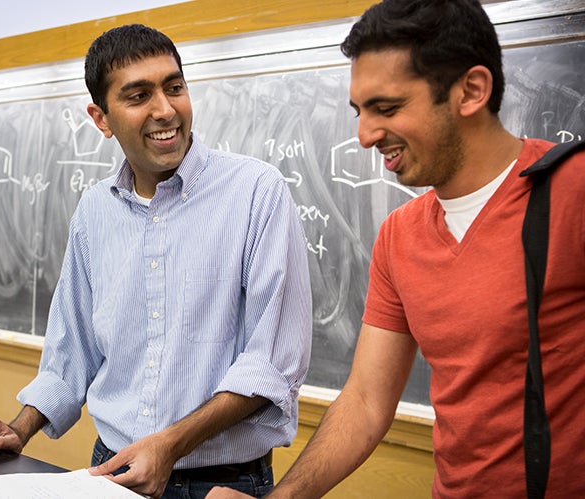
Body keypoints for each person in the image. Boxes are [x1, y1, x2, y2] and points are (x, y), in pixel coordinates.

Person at [208, 0, 585, 498]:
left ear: (471, 91)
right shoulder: (399, 235)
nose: (365, 136)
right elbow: (365, 400)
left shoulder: (572, 191)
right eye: (360, 111)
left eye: (386, 108)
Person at [0, 24, 312, 499]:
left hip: (223, 484)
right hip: (113, 474)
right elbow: (72, 352)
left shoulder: (257, 193)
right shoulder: (94, 211)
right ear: (101, 119)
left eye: (174, 87)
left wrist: (168, 445)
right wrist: (19, 429)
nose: (165, 110)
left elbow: (271, 364)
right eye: (138, 95)